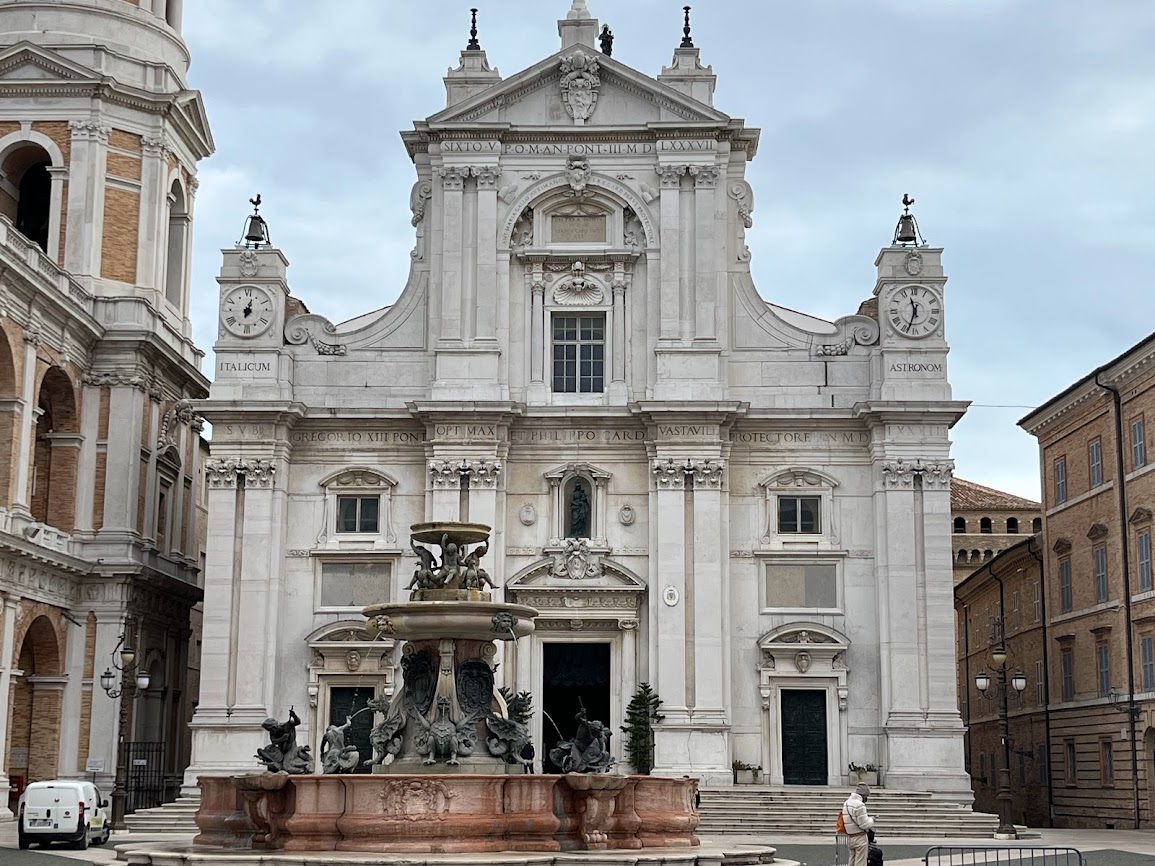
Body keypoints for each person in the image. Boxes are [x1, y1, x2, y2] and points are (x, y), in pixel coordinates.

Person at [841, 783, 875, 866]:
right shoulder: (860, 805)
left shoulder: (847, 803)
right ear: (864, 795)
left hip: (850, 836)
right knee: (860, 862)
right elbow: (864, 824)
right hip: (860, 837)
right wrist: (872, 820)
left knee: (851, 861)